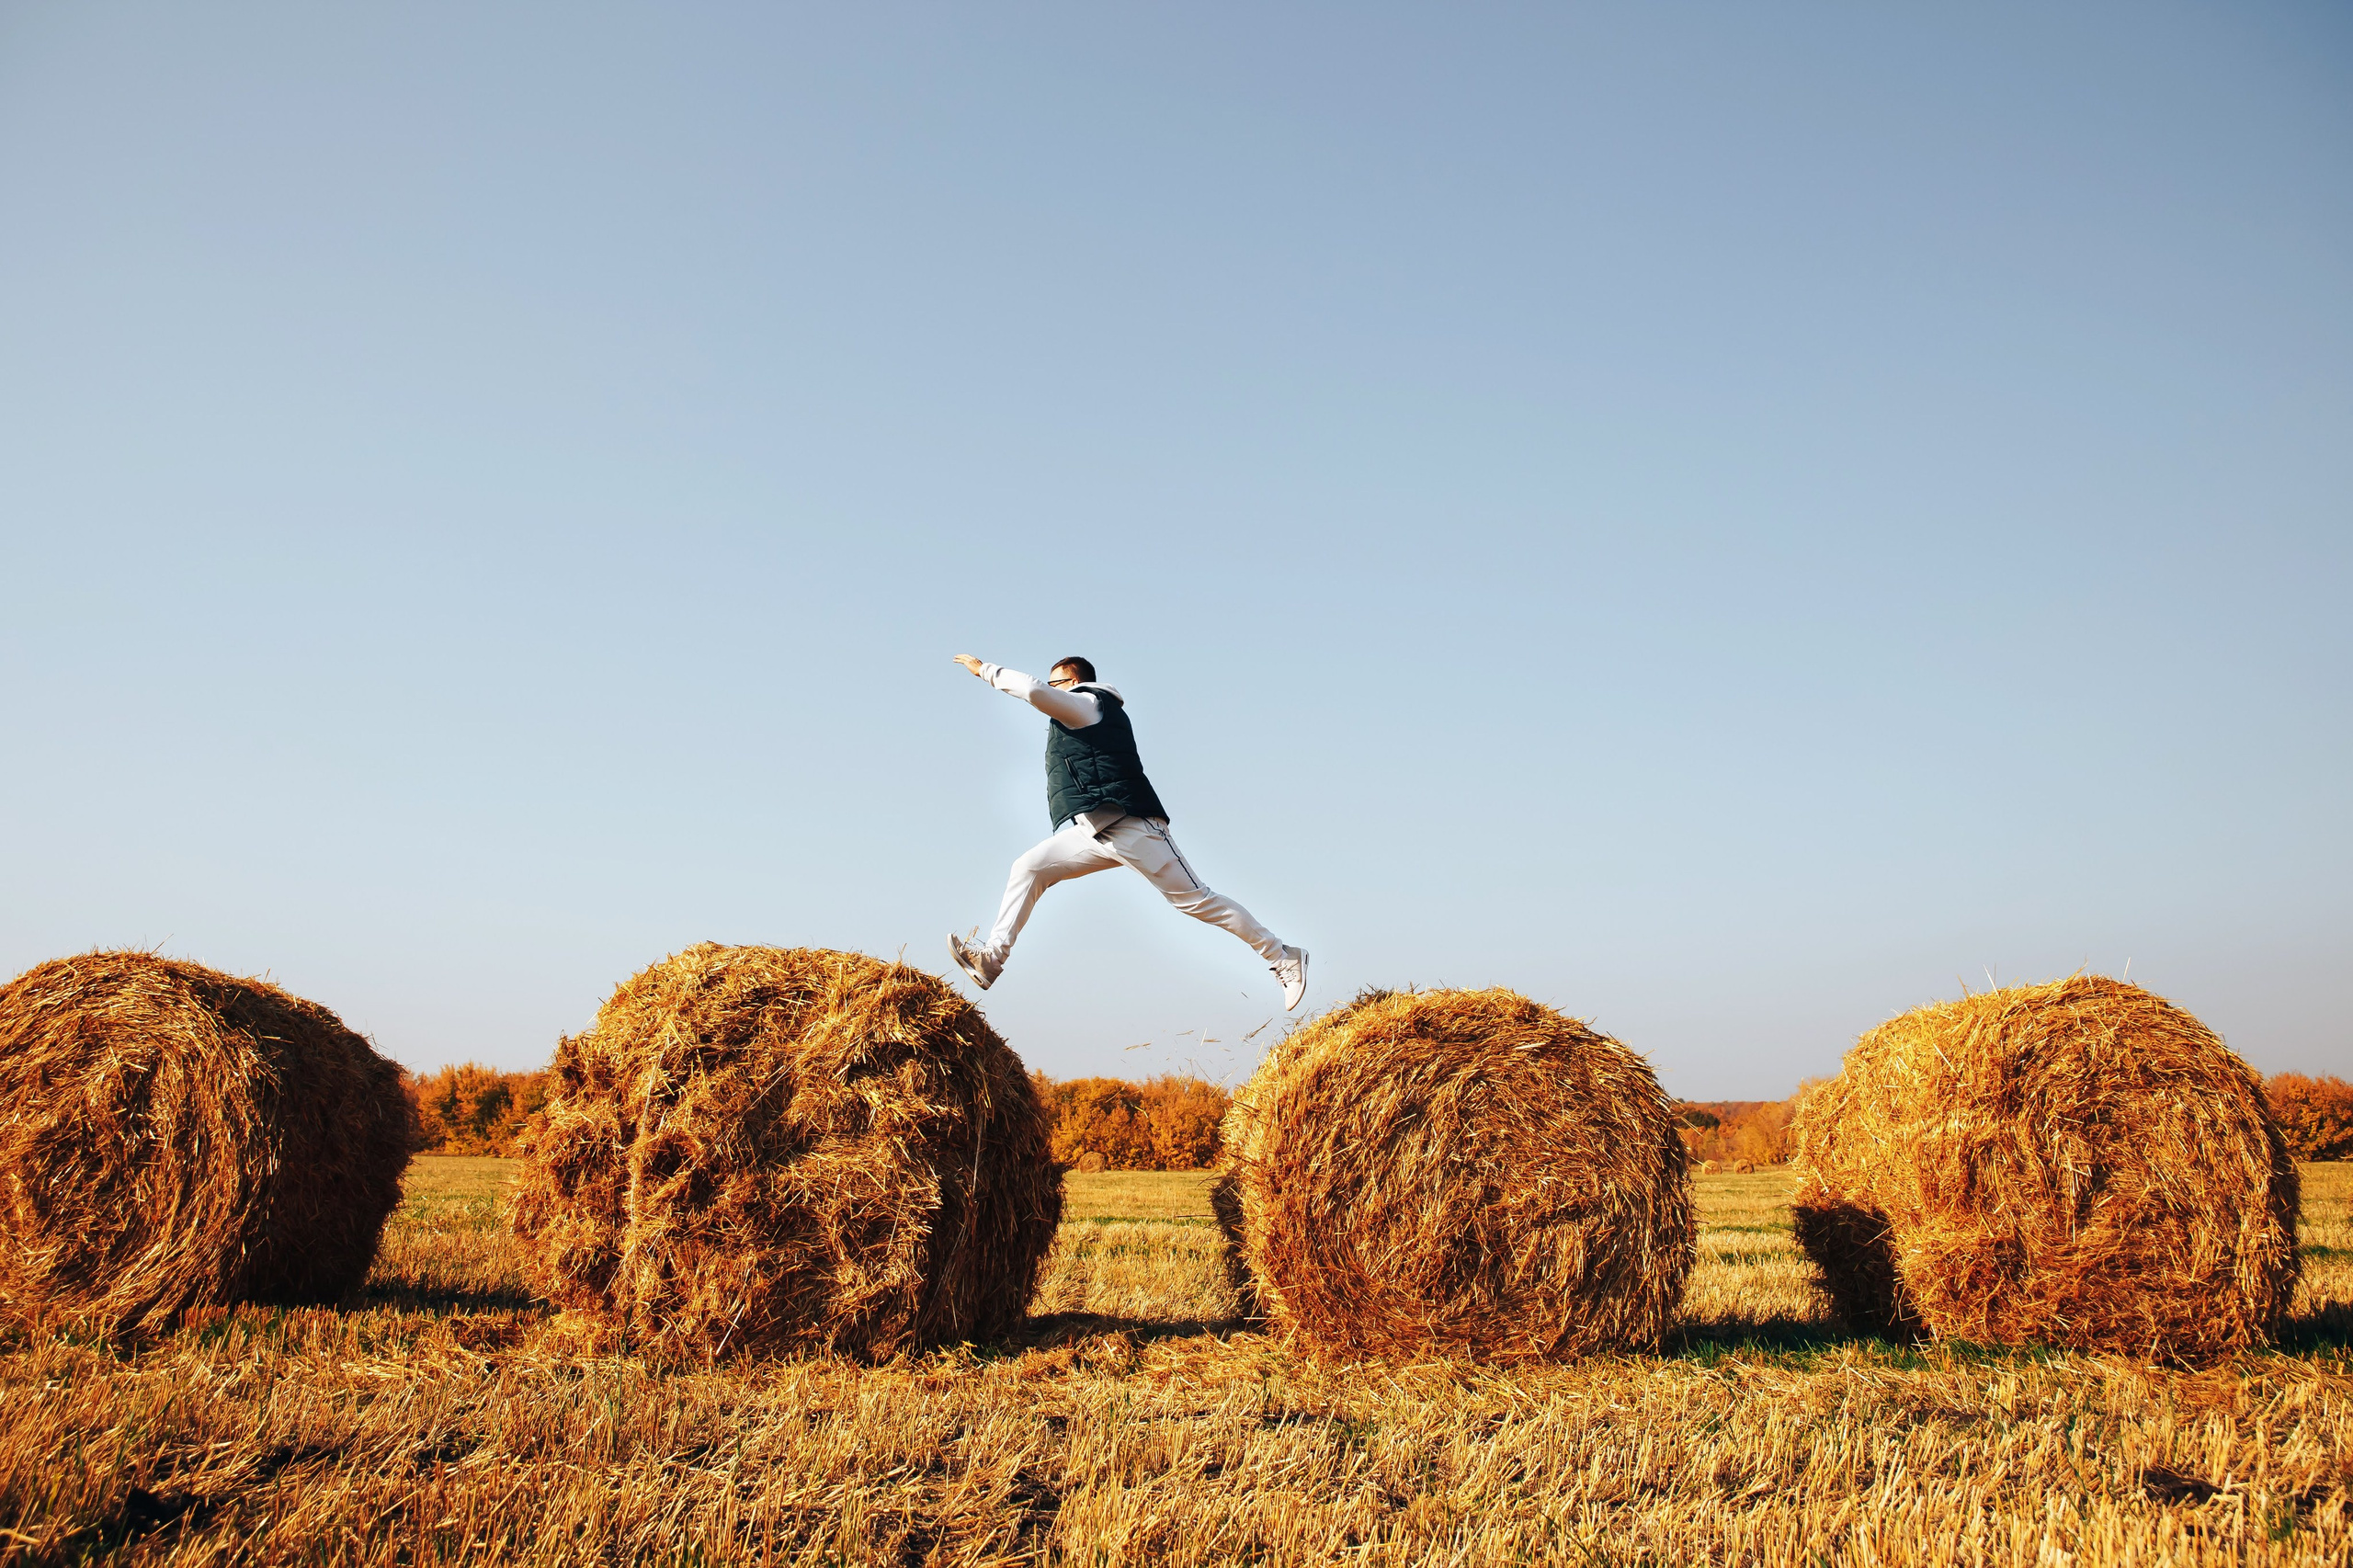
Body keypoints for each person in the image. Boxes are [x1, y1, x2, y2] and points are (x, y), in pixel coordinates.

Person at [948, 653, 1309, 1010]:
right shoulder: (1077, 719)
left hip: (1135, 827)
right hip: (1095, 831)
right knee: (1028, 868)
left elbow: (1032, 689)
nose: (1052, 689)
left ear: (1072, 683)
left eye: (1056, 682)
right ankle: (991, 959)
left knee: (1198, 901)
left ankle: (1283, 955)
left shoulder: (1089, 703)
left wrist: (985, 671)